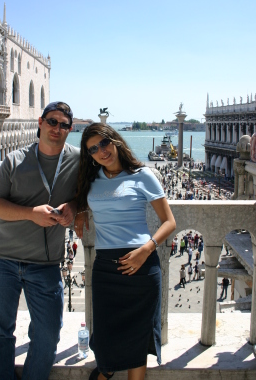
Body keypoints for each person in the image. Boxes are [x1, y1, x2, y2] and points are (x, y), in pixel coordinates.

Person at [0, 101, 80, 380]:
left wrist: (74, 206)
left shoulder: (77, 161)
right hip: (2, 260)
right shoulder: (14, 160)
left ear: (70, 130)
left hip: (45, 264)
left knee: (48, 335)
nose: (57, 128)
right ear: (40, 122)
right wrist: (30, 214)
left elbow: (89, 193)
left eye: (64, 125)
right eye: (52, 121)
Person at [74, 123, 176, 380]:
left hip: (142, 265)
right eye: (93, 149)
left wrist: (146, 250)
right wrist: (79, 210)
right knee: (106, 335)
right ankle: (105, 371)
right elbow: (74, 197)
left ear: (115, 141)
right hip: (106, 268)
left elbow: (169, 222)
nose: (101, 151)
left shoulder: (143, 175)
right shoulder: (90, 179)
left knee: (138, 340)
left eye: (104, 143)